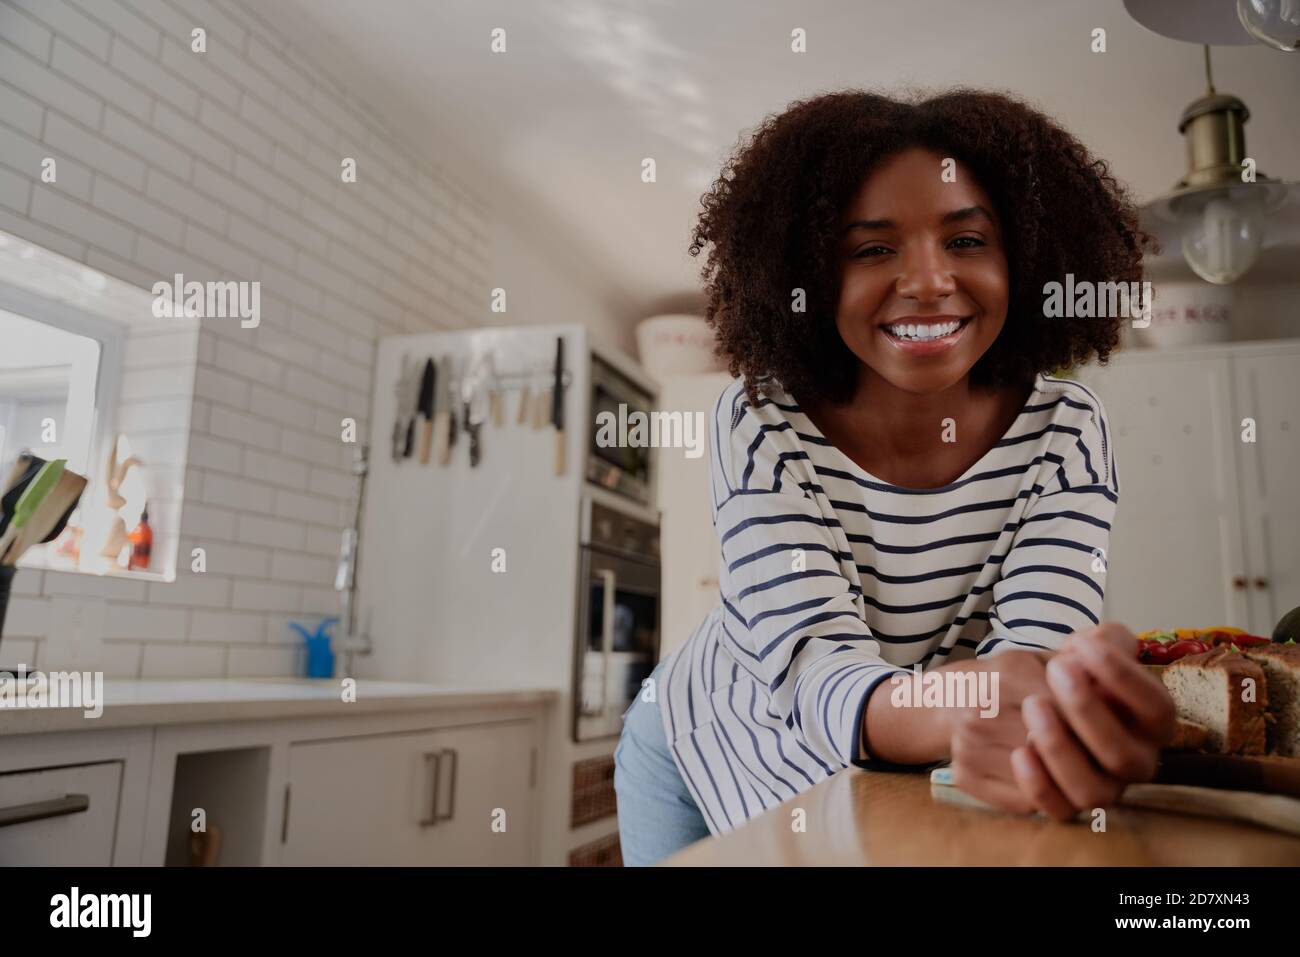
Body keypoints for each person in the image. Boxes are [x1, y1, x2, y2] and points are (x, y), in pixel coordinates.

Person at [613, 88, 1175, 867]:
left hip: (912, 751)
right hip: (713, 730)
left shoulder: (1067, 433)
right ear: (808, 272)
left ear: (1027, 255)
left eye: (968, 240)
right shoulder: (761, 422)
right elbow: (819, 673)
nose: (927, 281)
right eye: (873, 249)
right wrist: (980, 700)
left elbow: (1036, 647)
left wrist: (1054, 710)